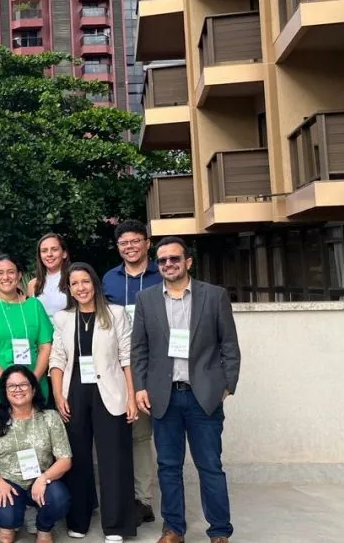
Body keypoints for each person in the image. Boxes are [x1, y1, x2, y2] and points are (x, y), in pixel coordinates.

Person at [132, 237, 241, 543]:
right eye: (162, 260)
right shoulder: (146, 299)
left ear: (188, 262)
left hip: (203, 397)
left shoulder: (214, 296)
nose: (168, 264)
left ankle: (219, 532)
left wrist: (226, 386)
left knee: (210, 466)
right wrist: (140, 387)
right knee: (168, 467)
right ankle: (173, 529)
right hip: (163, 397)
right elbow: (139, 349)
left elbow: (229, 345)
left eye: (174, 258)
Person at [50, 263, 137, 541]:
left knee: (114, 459)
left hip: (110, 391)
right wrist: (58, 395)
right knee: (77, 458)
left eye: (85, 281)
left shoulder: (115, 313)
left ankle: (116, 525)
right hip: (74, 392)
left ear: (95, 283)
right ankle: (79, 519)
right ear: (69, 288)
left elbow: (127, 357)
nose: (81, 288)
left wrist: (132, 397)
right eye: (74, 283)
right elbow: (57, 359)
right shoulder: (63, 318)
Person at [101, 220, 161, 527]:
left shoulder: (162, 274)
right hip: (119, 366)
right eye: (124, 243)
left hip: (157, 364)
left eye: (136, 241)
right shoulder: (109, 279)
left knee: (147, 435)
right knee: (128, 434)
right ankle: (132, 498)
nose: (130, 247)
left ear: (147, 243)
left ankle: (145, 499)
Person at [0, 365, 73, 543]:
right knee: (7, 524)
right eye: (12, 386)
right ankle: (10, 523)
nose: (17, 389)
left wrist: (44, 478)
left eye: (23, 385)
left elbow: (65, 459)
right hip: (7, 480)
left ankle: (43, 527)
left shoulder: (50, 417)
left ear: (33, 389)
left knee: (59, 499)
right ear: (5, 391)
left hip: (40, 479)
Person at [0, 254, 54, 418]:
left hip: (33, 379)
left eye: (11, 272)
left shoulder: (34, 305)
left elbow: (45, 346)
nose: (5, 277)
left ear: (19, 275)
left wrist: (32, 381)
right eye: (0, 273)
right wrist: (6, 379)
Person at [27, 233, 70, 318]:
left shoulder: (73, 280)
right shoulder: (33, 284)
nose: (49, 254)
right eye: (44, 251)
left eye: (54, 249)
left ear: (64, 253)